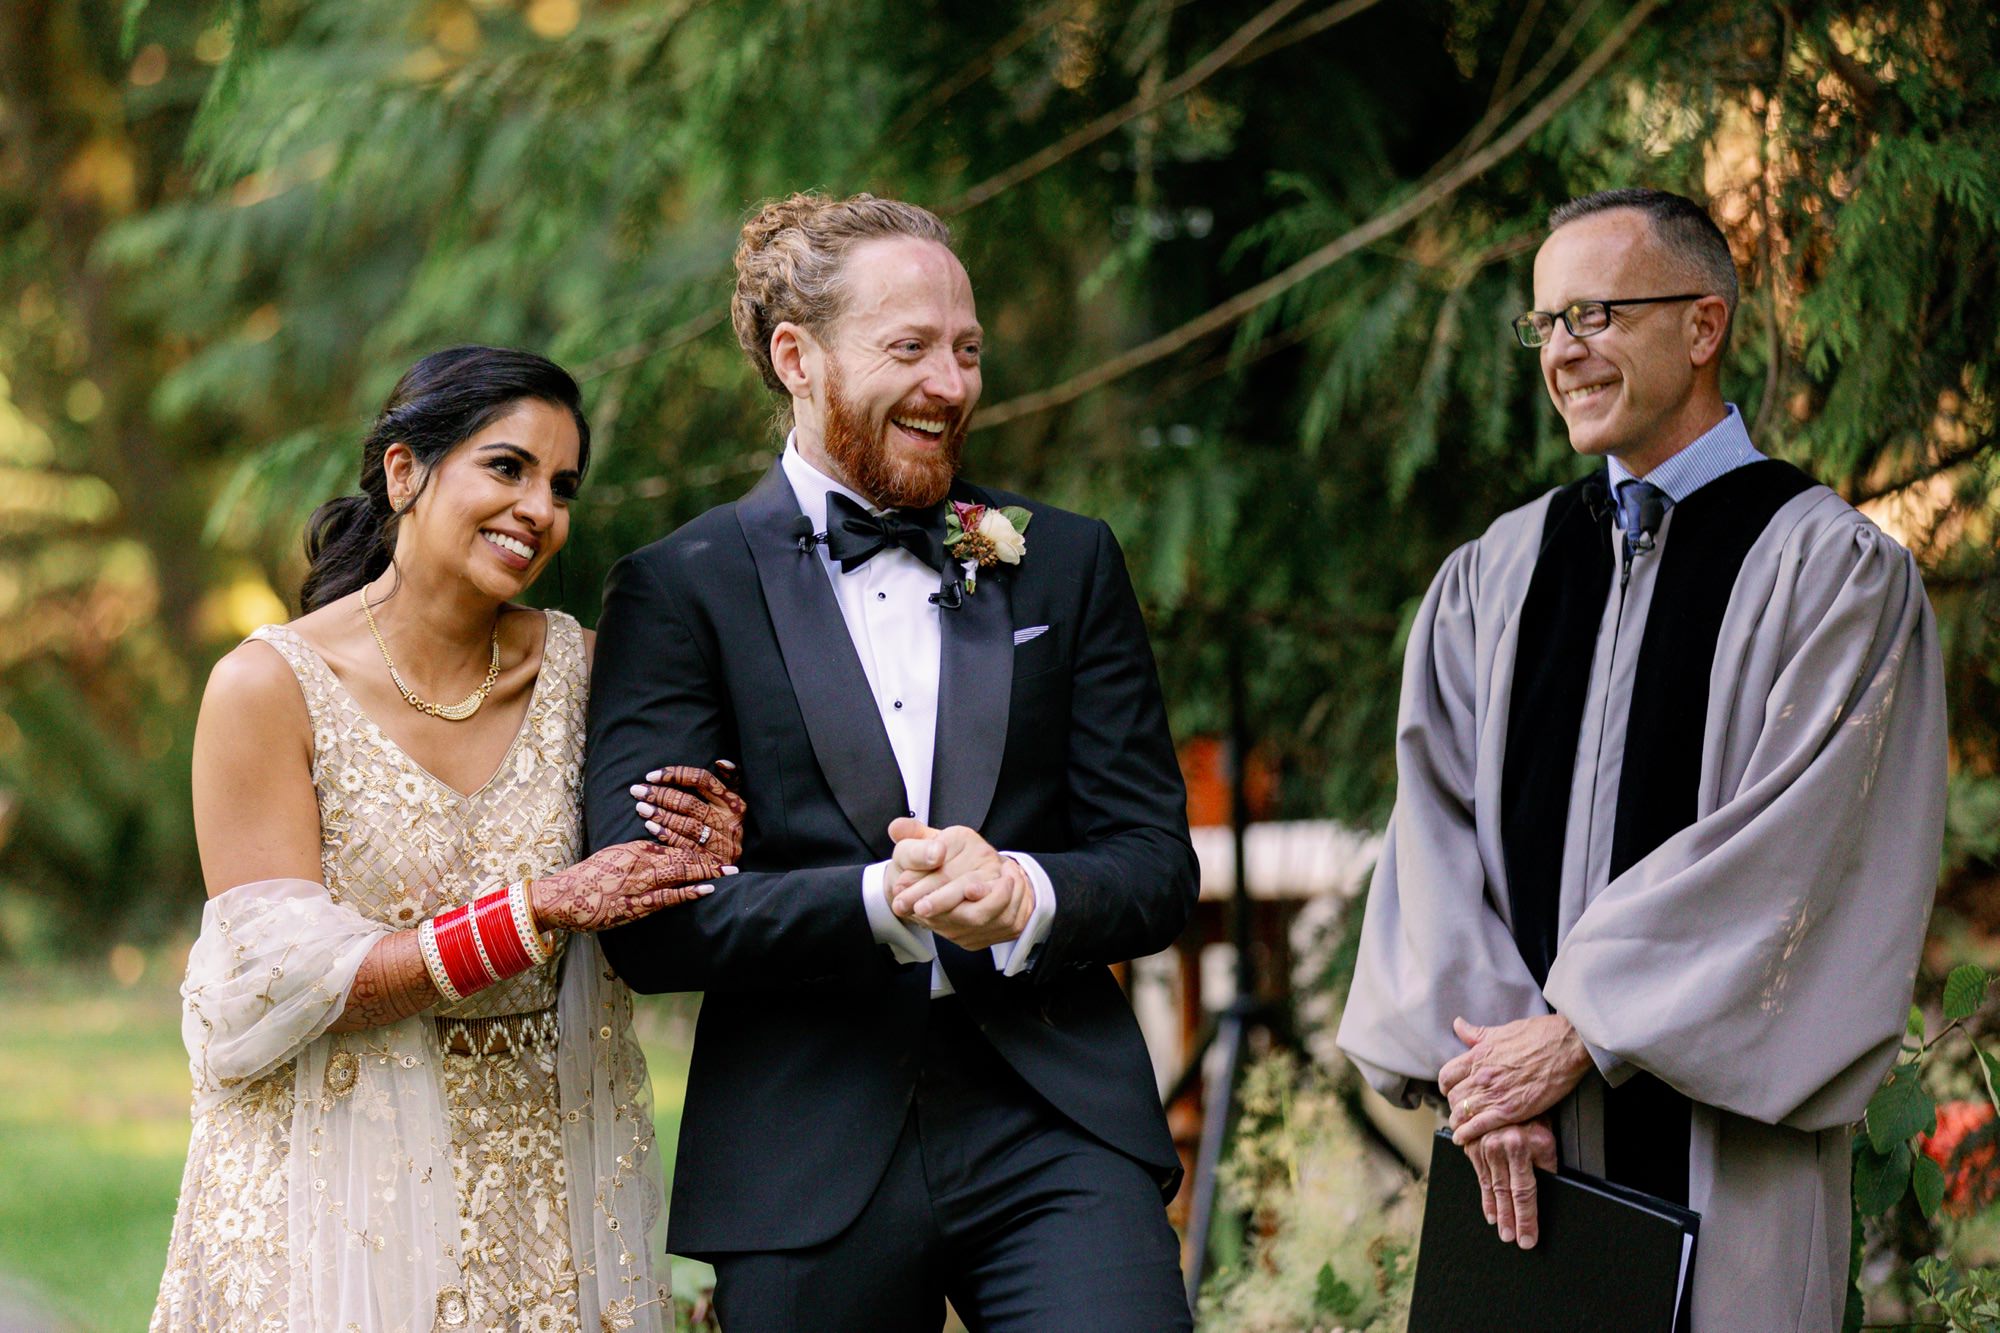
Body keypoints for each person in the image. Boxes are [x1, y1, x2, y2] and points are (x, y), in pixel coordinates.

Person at [583, 192, 1197, 1332]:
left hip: (1053, 1124)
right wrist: (879, 901)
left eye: (965, 350)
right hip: (800, 1149)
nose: (951, 384)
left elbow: (1155, 863)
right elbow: (647, 922)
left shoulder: (1063, 562)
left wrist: (1026, 891)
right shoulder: (681, 589)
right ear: (795, 357)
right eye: (908, 347)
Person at [1336, 187, 1948, 1329]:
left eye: (1595, 316)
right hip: (1520, 1161)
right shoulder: (1498, 574)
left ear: (1702, 326)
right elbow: (1432, 831)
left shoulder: (1830, 574)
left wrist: (1582, 1031)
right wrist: (1492, 1079)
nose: (1561, 354)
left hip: (1725, 1150)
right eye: (1545, 326)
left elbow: (1800, 857)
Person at [150, 346, 746, 1333]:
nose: (538, 509)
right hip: (333, 1191)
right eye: (506, 467)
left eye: (560, 486)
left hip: (545, 1192)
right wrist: (537, 909)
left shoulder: (586, 676)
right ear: (402, 472)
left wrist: (719, 833)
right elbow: (282, 988)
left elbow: (670, 856)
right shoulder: (268, 689)